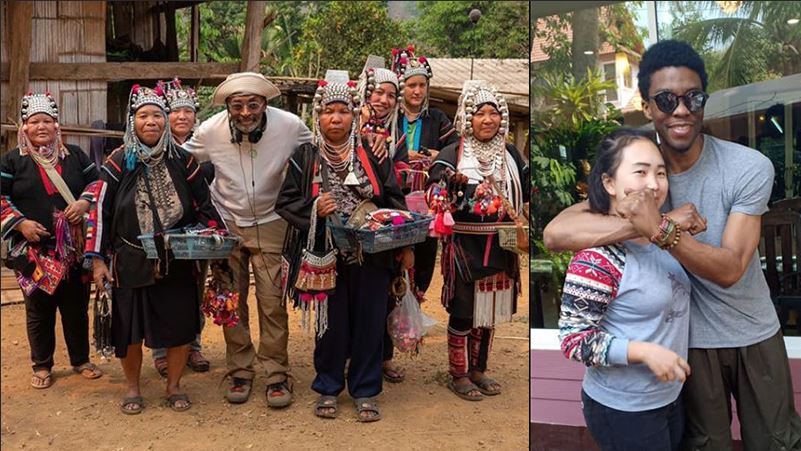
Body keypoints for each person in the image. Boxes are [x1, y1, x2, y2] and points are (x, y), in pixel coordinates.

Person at [544, 40, 801, 450]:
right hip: (689, 343)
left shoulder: (748, 167)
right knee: (704, 444)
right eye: (665, 99)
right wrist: (650, 224)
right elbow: (557, 234)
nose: (680, 110)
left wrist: (658, 229)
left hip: (752, 332)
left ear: (704, 102)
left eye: (692, 97)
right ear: (648, 107)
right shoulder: (643, 171)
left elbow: (732, 268)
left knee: (777, 441)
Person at [276, 71, 414, 422]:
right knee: (331, 325)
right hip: (324, 254)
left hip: (373, 254)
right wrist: (314, 210)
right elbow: (285, 202)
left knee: (370, 322)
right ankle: (328, 386)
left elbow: (396, 199)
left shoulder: (373, 152)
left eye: (343, 111)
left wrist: (398, 238)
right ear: (318, 116)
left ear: (355, 115)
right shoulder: (304, 157)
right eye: (328, 111)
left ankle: (366, 390)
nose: (335, 118)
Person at [86, 84, 223, 414]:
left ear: (165, 120)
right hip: (130, 259)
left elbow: (205, 205)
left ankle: (174, 385)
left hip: (176, 259)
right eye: (143, 115)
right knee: (128, 329)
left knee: (178, 327)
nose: (151, 121)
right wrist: (97, 260)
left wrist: (213, 237)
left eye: (157, 115)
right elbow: (100, 210)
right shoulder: (118, 162)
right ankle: (133, 387)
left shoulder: (184, 160)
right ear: (132, 121)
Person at [182, 72, 312, 408]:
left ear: (264, 104)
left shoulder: (290, 125)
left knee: (272, 302)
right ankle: (239, 370)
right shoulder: (210, 131)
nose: (244, 112)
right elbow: (180, 160)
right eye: (236, 105)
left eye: (252, 104)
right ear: (227, 107)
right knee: (230, 300)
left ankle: (276, 374)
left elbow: (317, 152)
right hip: (227, 223)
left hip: (272, 221)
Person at [558, 129, 692, 451]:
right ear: (609, 183)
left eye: (660, 173)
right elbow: (572, 340)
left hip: (669, 398)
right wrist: (644, 351)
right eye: (641, 171)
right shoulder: (599, 257)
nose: (654, 183)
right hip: (624, 410)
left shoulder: (664, 242)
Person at [426, 80, 529, 401]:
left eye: (494, 113)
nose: (488, 120)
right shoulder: (451, 154)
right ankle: (458, 374)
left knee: (489, 312)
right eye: (480, 114)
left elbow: (527, 190)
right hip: (465, 249)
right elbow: (431, 196)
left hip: (502, 246)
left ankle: (479, 370)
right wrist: (449, 189)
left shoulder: (511, 154)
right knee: (464, 311)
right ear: (466, 119)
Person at [1, 92, 103, 389]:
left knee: (76, 308)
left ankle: (80, 360)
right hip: (34, 253)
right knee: (38, 310)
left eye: (47, 121)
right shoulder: (12, 161)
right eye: (34, 122)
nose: (41, 126)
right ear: (24, 127)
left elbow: (97, 183)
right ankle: (42, 364)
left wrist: (84, 203)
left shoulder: (76, 156)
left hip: (74, 252)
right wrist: (20, 224)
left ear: (57, 126)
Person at [385, 46, 459, 383]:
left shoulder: (438, 120)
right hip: (391, 206)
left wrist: (427, 156)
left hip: (426, 210)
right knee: (389, 272)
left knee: (422, 267)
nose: (417, 91)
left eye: (421, 86)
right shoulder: (387, 118)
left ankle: (407, 321)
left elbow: (451, 152)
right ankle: (383, 350)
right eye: (411, 85)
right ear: (401, 88)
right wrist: (407, 156)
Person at [148, 78, 211, 376]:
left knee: (194, 289)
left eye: (188, 111)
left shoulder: (206, 146)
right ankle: (161, 351)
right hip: (158, 233)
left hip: (195, 232)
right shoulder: (148, 147)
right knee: (159, 288)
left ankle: (193, 345)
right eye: (175, 111)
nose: (182, 117)